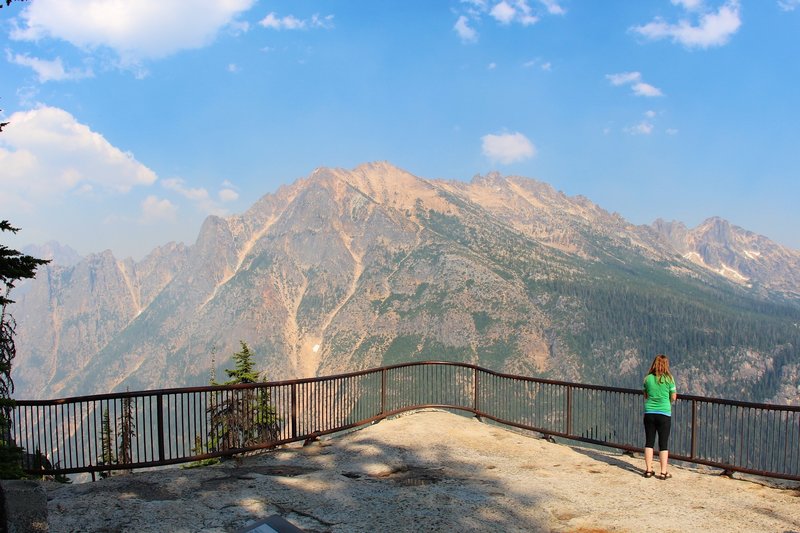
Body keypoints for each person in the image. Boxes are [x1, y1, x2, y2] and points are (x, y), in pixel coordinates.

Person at [642, 354, 677, 479]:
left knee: (649, 442)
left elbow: (645, 395)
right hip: (664, 414)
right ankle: (663, 472)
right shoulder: (669, 379)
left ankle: (648, 470)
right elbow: (673, 397)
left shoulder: (647, 379)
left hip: (649, 413)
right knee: (663, 444)